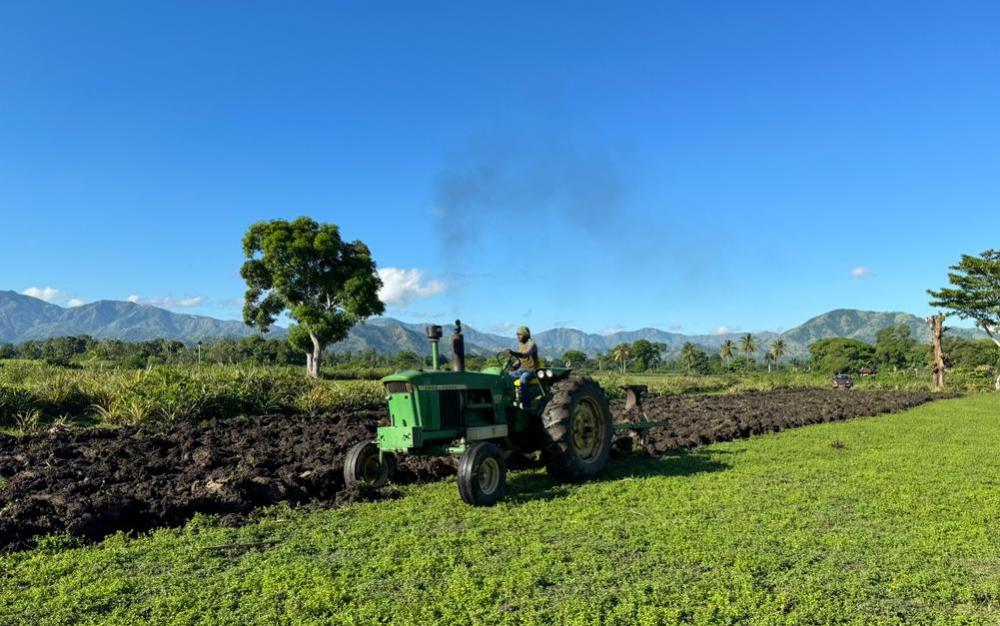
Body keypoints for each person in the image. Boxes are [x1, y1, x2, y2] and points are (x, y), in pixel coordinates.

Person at [504, 326, 539, 405]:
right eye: (517, 335)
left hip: (532, 370)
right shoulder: (521, 346)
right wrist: (511, 367)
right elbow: (519, 360)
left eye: (520, 335)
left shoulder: (531, 344)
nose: (518, 337)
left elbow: (525, 355)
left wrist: (513, 353)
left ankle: (526, 402)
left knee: (523, 379)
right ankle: (511, 399)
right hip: (521, 370)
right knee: (506, 377)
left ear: (526, 335)